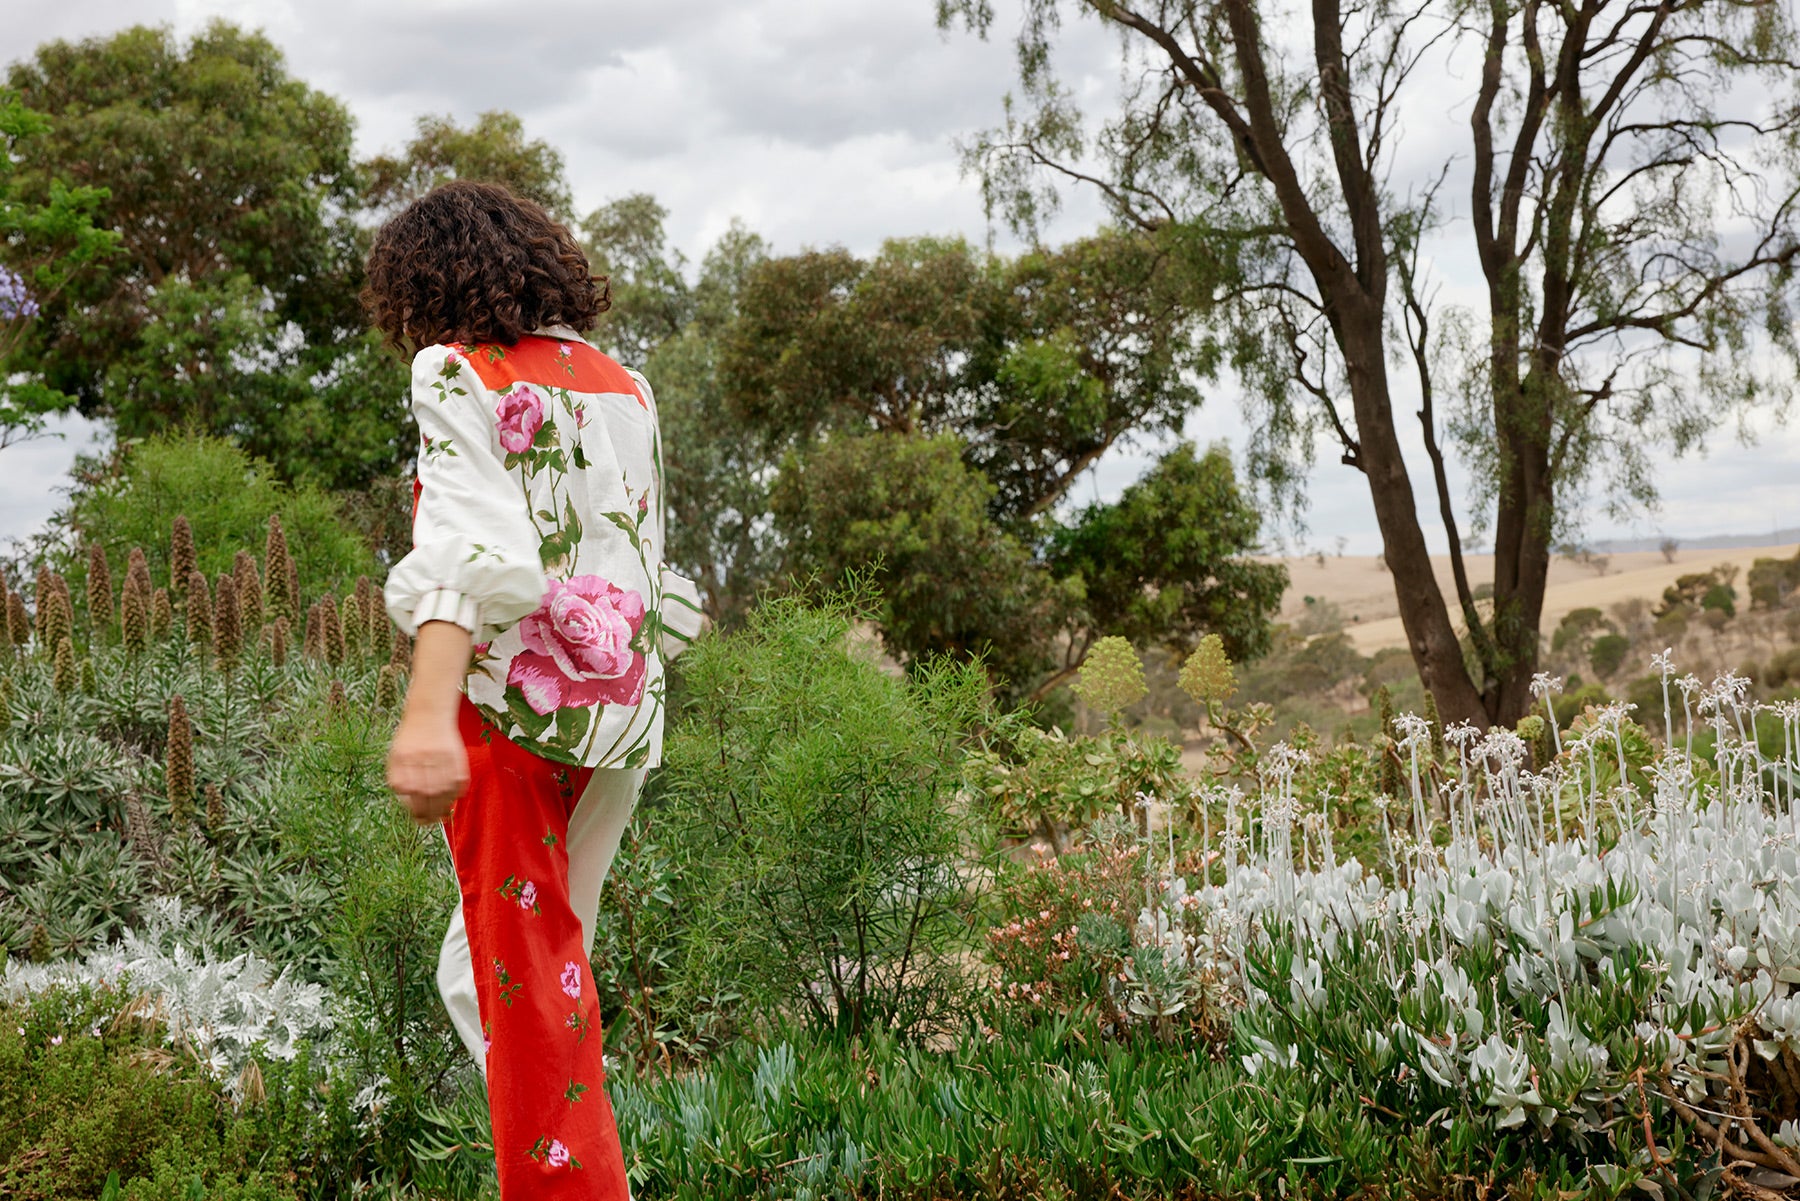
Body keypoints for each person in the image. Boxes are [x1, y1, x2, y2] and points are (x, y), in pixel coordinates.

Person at [364, 179, 703, 1200]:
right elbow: (641, 556)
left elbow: (476, 550)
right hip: (616, 720)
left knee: (520, 992)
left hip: (510, 718)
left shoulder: (459, 370)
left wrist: (427, 714)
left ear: (423, 285)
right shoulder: (625, 387)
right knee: (511, 979)